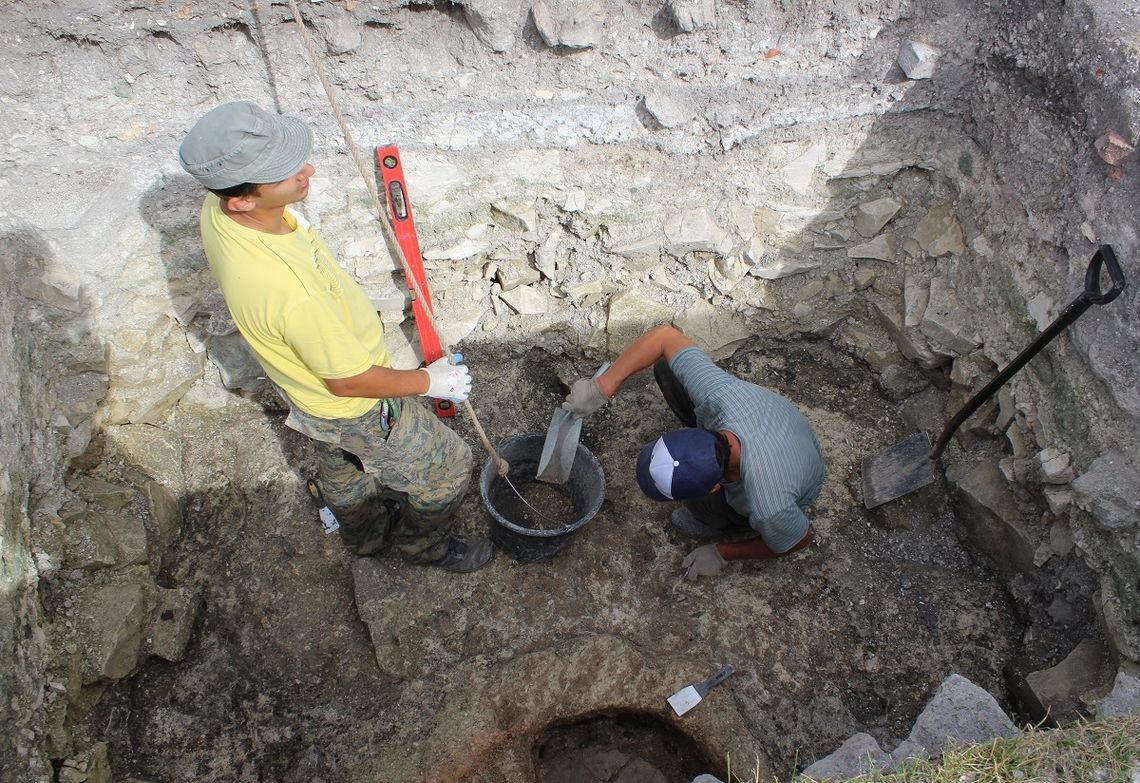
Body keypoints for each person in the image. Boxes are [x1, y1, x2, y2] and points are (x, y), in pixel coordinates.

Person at [178, 100, 492, 572]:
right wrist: (431, 382)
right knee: (449, 466)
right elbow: (349, 382)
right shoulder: (290, 292)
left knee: (340, 458)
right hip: (353, 403)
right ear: (242, 199)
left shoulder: (222, 209)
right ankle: (421, 546)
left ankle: (363, 535)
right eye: (286, 175)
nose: (308, 170)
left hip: (305, 391)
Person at [563, 324, 824, 580]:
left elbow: (798, 540)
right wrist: (601, 387)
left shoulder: (768, 503)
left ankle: (718, 519)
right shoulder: (718, 395)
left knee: (702, 509)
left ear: (715, 487)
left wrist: (723, 553)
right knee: (669, 369)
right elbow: (664, 336)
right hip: (785, 431)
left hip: (800, 474)